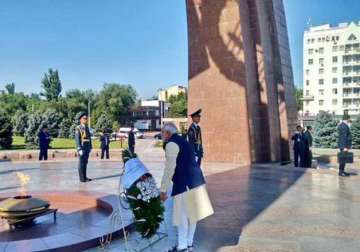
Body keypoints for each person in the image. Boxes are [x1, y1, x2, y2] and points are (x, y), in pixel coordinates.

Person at [160, 122, 214, 252]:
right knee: (192, 215)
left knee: (182, 216)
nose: (161, 134)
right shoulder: (183, 141)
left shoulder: (171, 144)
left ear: (168, 133)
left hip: (185, 183)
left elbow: (169, 168)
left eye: (162, 132)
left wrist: (163, 189)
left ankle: (182, 247)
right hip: (196, 181)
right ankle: (189, 244)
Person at [75, 112, 92, 182]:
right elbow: (77, 139)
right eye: (84, 118)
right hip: (82, 147)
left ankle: (85, 177)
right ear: (80, 120)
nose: (86, 120)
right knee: (81, 163)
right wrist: (79, 148)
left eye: (86, 118)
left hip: (87, 147)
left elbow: (89, 138)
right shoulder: (78, 128)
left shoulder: (87, 128)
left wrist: (90, 146)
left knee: (85, 162)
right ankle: (82, 178)